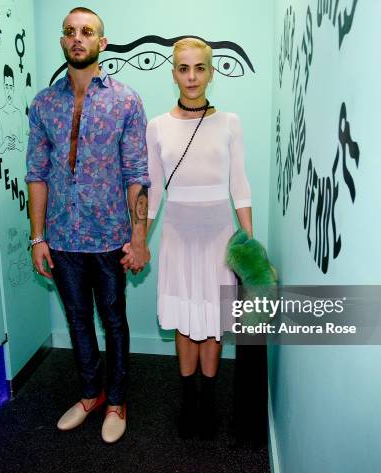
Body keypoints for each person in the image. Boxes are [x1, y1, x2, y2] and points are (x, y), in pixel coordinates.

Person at [25, 7, 150, 444]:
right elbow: (36, 174)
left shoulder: (126, 100)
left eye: (88, 32)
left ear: (102, 42)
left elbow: (137, 173)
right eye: (70, 32)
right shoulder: (43, 103)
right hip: (61, 239)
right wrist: (37, 237)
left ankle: (116, 400)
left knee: (113, 320)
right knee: (78, 319)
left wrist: (139, 239)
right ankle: (89, 394)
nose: (78, 38)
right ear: (63, 42)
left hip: (110, 238)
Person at [146, 38, 252, 439]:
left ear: (211, 72)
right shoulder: (157, 126)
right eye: (183, 68)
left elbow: (239, 185)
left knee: (212, 322)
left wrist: (249, 246)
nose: (191, 77)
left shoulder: (231, 122)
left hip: (219, 234)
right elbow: (153, 192)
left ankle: (208, 401)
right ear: (173, 72)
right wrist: (139, 238)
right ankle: (189, 400)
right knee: (185, 323)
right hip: (176, 233)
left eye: (199, 68)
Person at [0, 65, 23, 153]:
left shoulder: (18, 113)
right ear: (4, 88)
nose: (9, 92)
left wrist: (16, 144)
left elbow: (22, 146)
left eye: (11, 87)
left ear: (14, 89)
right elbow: (0, 149)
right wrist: (6, 143)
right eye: (7, 87)